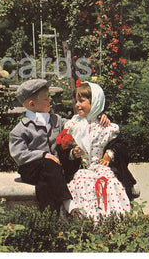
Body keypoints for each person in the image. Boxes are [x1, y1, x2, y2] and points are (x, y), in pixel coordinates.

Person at [9, 79, 109, 217]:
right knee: (49, 164)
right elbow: (18, 154)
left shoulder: (56, 120)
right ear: (32, 104)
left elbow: (78, 122)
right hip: (32, 169)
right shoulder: (20, 130)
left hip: (53, 171)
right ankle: (70, 205)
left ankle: (52, 221)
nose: (49, 100)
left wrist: (97, 116)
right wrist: (42, 155)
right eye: (45, 99)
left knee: (45, 185)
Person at [57, 81, 138, 221]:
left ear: (95, 103)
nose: (77, 105)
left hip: (100, 166)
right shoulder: (73, 124)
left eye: (81, 101)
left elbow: (122, 146)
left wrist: (109, 154)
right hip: (80, 169)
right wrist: (72, 154)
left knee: (107, 180)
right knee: (83, 180)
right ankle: (86, 219)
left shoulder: (106, 126)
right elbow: (62, 147)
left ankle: (111, 219)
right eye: (76, 101)